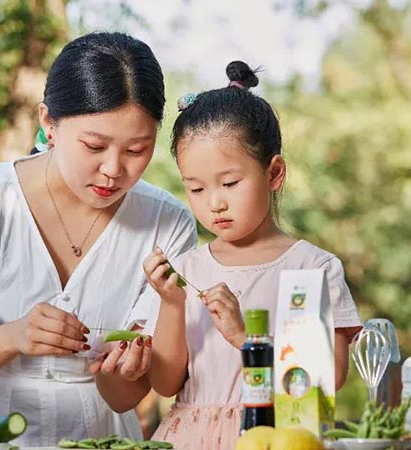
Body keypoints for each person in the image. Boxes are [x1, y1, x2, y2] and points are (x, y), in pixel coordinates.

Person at [0, 32, 197, 446]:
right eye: (94, 145)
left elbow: (125, 399)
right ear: (48, 122)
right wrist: (13, 336)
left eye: (137, 150)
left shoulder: (166, 222)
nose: (112, 169)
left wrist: (125, 373)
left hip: (93, 438)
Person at [141, 61, 363, 450]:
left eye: (230, 183)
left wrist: (246, 339)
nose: (214, 203)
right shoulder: (190, 268)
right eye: (195, 189)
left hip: (280, 438)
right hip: (189, 438)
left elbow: (330, 376)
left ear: (274, 173)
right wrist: (172, 305)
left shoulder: (313, 268)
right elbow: (164, 384)